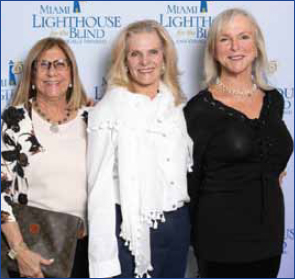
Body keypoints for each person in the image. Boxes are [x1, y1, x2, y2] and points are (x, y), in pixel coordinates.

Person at [184, 8, 294, 278]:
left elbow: (267, 155)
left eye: (243, 37)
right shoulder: (200, 109)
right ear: (214, 49)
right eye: (225, 39)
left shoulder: (274, 101)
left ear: (256, 46)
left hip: (269, 236)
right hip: (220, 242)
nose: (235, 47)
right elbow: (190, 183)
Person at [87, 20, 193, 278]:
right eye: (135, 53)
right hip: (130, 229)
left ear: (164, 57)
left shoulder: (174, 104)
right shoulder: (108, 110)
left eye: (153, 52)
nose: (145, 61)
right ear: (124, 61)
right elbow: (99, 190)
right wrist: (103, 260)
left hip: (178, 225)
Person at [1, 37, 89, 278]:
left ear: (71, 73)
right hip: (34, 250)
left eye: (60, 64)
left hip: (88, 251)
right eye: (43, 64)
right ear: (32, 73)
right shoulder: (15, 120)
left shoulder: (91, 118)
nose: (52, 72)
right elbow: (1, 193)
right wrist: (19, 252)